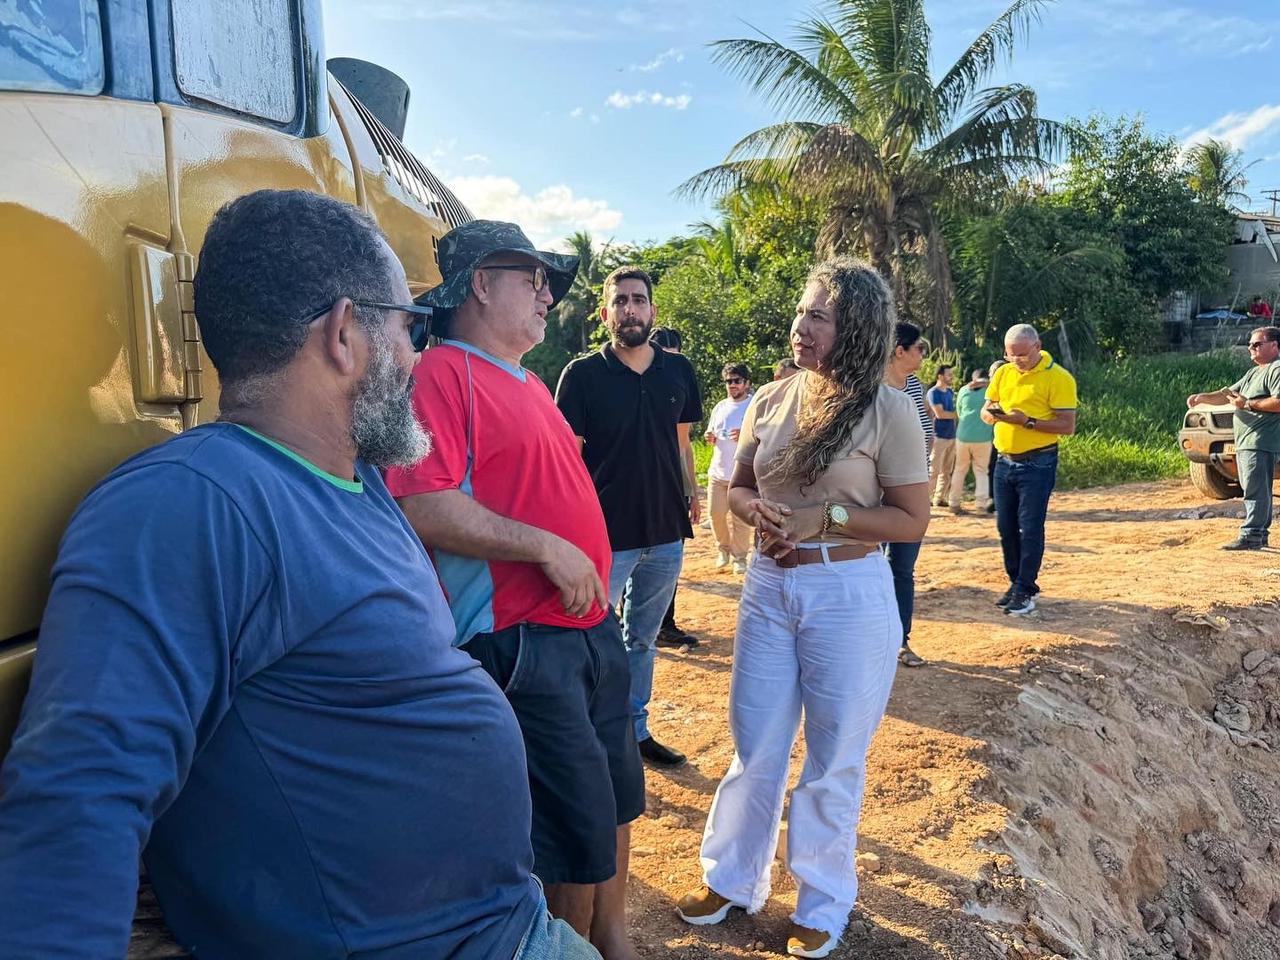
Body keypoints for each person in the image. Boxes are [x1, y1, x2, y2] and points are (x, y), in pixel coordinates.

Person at [0, 191, 600, 960]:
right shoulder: (193, 503)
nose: (419, 355)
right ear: (345, 333)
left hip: (497, 924)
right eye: (409, 325)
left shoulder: (358, 483)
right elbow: (76, 802)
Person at [384, 220, 644, 959]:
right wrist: (547, 547)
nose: (546, 296)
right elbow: (422, 502)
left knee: (617, 799)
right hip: (524, 641)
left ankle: (614, 943)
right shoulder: (441, 373)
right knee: (568, 831)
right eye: (529, 278)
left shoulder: (529, 381)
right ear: (479, 285)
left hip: (589, 629)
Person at [675, 257, 930, 959]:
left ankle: (821, 901)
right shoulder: (769, 399)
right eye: (800, 311)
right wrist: (751, 508)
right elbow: (737, 489)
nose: (799, 326)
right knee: (754, 744)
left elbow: (911, 521)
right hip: (767, 588)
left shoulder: (889, 409)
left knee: (833, 756)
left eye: (818, 315)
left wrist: (831, 518)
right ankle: (730, 878)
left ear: (855, 327)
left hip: (845, 594)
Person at [557, 269, 703, 767]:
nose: (630, 309)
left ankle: (633, 733)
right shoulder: (582, 375)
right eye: (620, 301)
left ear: (653, 311)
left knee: (641, 638)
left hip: (665, 533)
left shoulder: (678, 372)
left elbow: (682, 444)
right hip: (603, 535)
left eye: (639, 300)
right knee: (588, 638)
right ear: (605, 313)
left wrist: (693, 490)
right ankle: (586, 736)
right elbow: (567, 461)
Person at [983, 324, 1078, 616]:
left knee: (1030, 527)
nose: (1017, 361)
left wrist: (1027, 422)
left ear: (1037, 346)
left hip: (1038, 462)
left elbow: (1067, 425)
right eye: (1011, 355)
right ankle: (1016, 582)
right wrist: (991, 414)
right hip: (1003, 459)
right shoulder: (1003, 372)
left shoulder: (1059, 378)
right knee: (1006, 527)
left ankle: (1026, 588)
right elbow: (987, 407)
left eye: (1022, 355)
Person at [1187, 325, 1280, 550]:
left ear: (1275, 345)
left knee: (1255, 489)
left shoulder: (1276, 369)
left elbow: (1278, 402)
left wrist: (1247, 404)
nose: (1251, 348)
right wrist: (1203, 398)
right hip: (1248, 441)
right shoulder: (1254, 372)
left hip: (1260, 441)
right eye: (1250, 344)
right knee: (1257, 488)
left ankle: (1251, 534)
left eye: (1257, 344)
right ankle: (1258, 534)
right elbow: (1228, 395)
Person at [882, 321, 933, 668]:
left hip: (911, 492)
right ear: (900, 350)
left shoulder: (915, 386)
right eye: (919, 348)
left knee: (901, 567)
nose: (922, 355)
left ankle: (900, 640)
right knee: (870, 565)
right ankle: (876, 640)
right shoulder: (870, 388)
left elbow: (927, 431)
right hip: (874, 494)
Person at [650, 325, 703, 647]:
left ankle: (664, 624)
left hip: (672, 490)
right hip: (636, 487)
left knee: (668, 562)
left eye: (675, 357)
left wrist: (692, 491)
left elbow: (684, 447)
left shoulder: (681, 385)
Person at [704, 362, 754, 574]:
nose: (732, 385)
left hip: (742, 474)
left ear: (747, 383)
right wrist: (709, 437)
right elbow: (711, 433)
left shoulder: (754, 405)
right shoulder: (720, 407)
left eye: (737, 381)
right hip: (718, 472)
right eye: (728, 381)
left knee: (741, 519)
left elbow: (764, 433)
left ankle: (740, 558)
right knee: (715, 514)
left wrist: (744, 434)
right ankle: (723, 548)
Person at [949, 367, 994, 514]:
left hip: (963, 435)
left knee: (959, 469)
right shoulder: (989, 392)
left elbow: (959, 411)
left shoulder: (963, 390)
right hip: (983, 437)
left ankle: (954, 503)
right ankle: (981, 505)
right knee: (981, 471)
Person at [926, 364, 957, 506]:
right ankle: (925, 499)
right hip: (938, 435)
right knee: (934, 470)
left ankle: (939, 498)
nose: (951, 377)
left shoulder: (950, 392)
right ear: (940, 376)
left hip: (952, 435)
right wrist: (958, 415)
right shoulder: (933, 393)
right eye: (948, 374)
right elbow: (940, 414)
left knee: (947, 471)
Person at [985, 359, 1006, 514]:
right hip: (995, 438)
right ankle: (994, 498)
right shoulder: (991, 392)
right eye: (992, 374)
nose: (992, 377)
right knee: (992, 467)